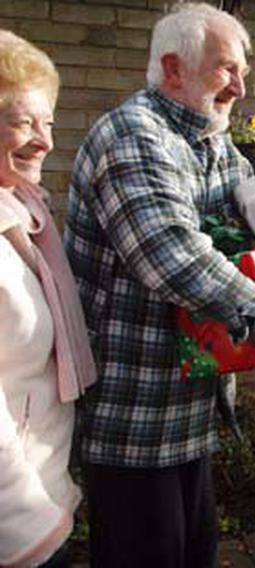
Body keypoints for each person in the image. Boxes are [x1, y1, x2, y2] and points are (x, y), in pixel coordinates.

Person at [64, 4, 255, 566]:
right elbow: (173, 257)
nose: (241, 88)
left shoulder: (211, 143)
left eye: (242, 72)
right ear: (173, 69)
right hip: (133, 421)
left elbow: (250, 207)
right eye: (226, 70)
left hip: (190, 413)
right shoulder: (132, 136)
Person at [0, 31, 97, 567]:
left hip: (43, 492)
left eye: (49, 123)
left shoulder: (24, 217)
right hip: (16, 526)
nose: (45, 141)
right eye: (23, 121)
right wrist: (33, 525)